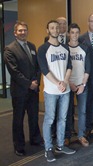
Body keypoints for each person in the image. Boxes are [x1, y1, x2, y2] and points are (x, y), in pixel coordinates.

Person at [38, 20, 76, 162]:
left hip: (64, 91)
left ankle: (60, 145)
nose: (55, 30)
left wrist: (65, 82)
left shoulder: (65, 48)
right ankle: (48, 149)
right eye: (52, 28)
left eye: (57, 27)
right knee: (49, 119)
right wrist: (57, 83)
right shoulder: (43, 49)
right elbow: (44, 69)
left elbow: (69, 66)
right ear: (47, 30)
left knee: (62, 118)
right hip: (51, 91)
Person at [4, 21, 43, 156]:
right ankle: (19, 146)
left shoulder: (31, 46)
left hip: (33, 90)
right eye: (20, 30)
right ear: (15, 33)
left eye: (25, 30)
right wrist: (28, 84)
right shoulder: (9, 49)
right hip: (20, 91)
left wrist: (36, 82)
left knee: (33, 116)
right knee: (18, 119)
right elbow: (14, 72)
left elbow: (37, 66)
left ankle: (35, 139)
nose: (23, 32)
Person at [64, 23, 91, 147]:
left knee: (82, 111)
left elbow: (88, 68)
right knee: (67, 112)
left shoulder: (84, 48)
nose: (75, 35)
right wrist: (70, 83)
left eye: (77, 32)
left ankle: (81, 135)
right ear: (69, 33)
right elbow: (62, 69)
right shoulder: (64, 48)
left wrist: (82, 85)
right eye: (72, 32)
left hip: (82, 85)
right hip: (68, 85)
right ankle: (67, 136)